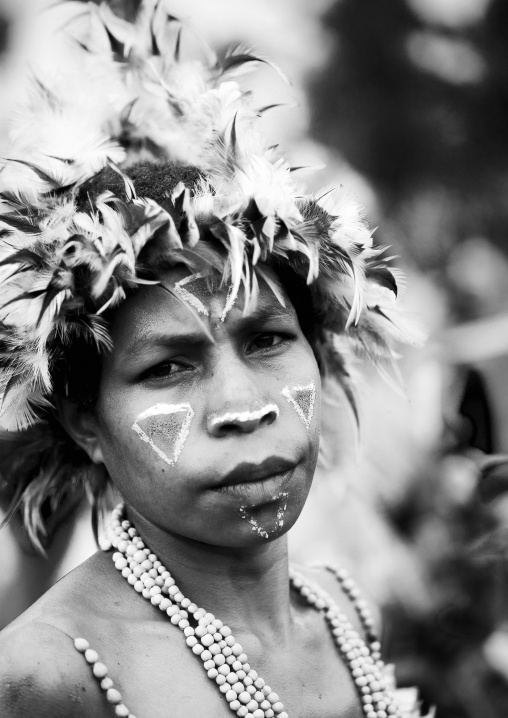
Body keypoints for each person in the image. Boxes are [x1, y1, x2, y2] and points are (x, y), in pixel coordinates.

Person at [0, 2, 428, 716]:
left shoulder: (346, 612)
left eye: (267, 340)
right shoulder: (43, 677)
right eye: (168, 366)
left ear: (320, 352)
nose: (243, 406)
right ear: (85, 425)